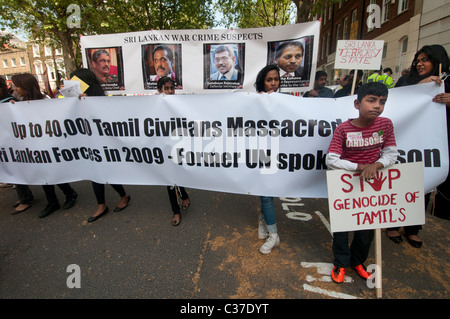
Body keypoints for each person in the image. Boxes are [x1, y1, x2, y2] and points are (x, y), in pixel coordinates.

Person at [326, 82, 398, 283]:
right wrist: (360, 167)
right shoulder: (343, 129)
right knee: (341, 228)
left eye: (382, 102)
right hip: (346, 185)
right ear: (357, 104)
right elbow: (331, 159)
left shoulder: (386, 125)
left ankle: (357, 261)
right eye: (371, 100)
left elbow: (391, 154)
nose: (377, 106)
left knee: (366, 229)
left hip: (371, 186)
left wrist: (375, 165)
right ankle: (340, 263)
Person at [388, 44, 450, 246]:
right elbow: (394, 100)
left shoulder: (447, 82)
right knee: (401, 181)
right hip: (407, 140)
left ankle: (413, 228)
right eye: (418, 60)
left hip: (433, 143)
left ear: (438, 61)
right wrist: (421, 86)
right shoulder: (407, 80)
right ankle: (393, 225)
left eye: (425, 60)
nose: (420, 64)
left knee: (424, 183)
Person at [10, 73, 78, 218]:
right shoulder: (20, 101)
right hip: (33, 144)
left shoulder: (44, 100)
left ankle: (68, 194)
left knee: (51, 172)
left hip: (47, 143)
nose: (15, 89)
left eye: (18, 86)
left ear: (25, 87)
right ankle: (54, 200)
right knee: (44, 174)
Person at [70, 68, 131, 222]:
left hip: (102, 142)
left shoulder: (99, 100)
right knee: (95, 173)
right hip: (87, 142)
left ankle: (123, 196)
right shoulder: (71, 99)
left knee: (106, 171)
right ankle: (101, 205)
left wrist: (87, 103)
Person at [253, 64, 281, 254]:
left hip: (278, 153)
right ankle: (264, 221)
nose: (273, 83)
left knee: (266, 193)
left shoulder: (284, 101)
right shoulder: (255, 100)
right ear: (262, 81)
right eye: (269, 80)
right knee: (263, 192)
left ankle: (273, 234)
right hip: (260, 151)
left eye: (276, 79)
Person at [156, 76, 191, 226]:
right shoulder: (154, 106)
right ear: (159, 90)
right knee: (170, 180)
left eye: (172, 88)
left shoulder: (179, 104)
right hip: (164, 148)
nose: (170, 92)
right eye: (166, 88)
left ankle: (184, 196)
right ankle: (176, 211)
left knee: (177, 175)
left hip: (178, 146)